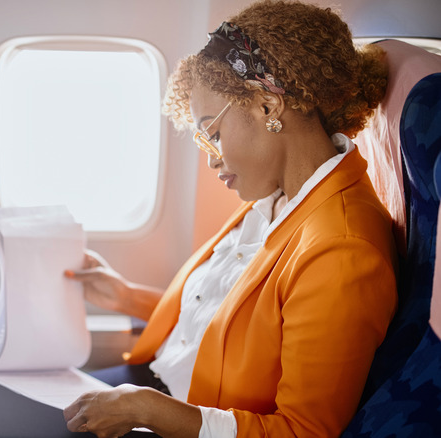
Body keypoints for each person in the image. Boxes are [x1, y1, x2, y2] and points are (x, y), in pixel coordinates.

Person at [62, 1, 398, 437]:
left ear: (267, 106)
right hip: (154, 385)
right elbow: (229, 322)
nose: (210, 159)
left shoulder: (342, 251)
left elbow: (304, 431)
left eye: (213, 134)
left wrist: (149, 411)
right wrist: (126, 298)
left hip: (185, 418)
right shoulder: (280, 195)